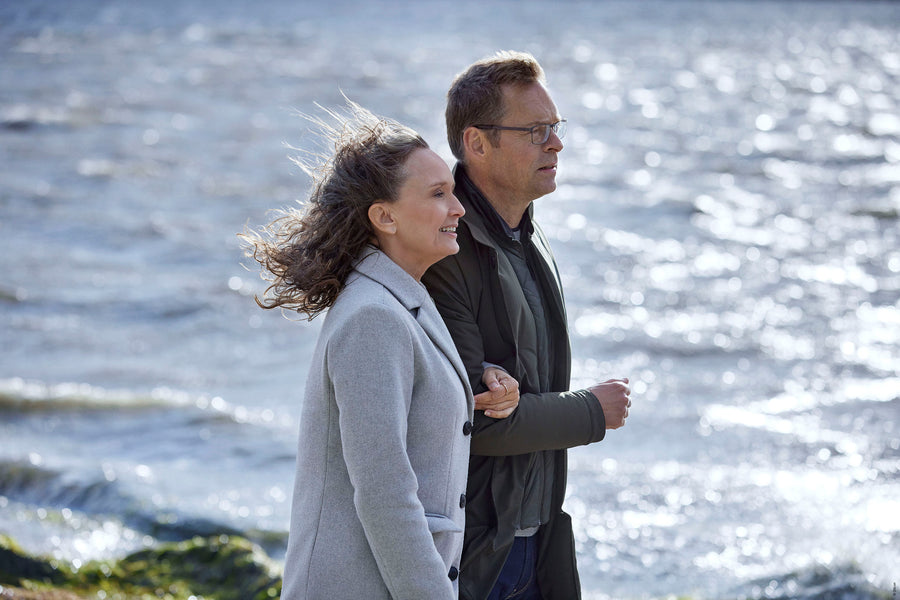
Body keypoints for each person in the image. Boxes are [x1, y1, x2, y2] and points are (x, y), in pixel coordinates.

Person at [241, 103, 520, 600]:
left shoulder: (399, 295)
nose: (458, 209)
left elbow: (413, 387)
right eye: (438, 194)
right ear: (384, 216)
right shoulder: (373, 316)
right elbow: (385, 496)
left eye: (453, 193)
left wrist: (479, 378)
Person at [421, 51, 633, 600]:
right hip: (475, 555)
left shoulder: (526, 234)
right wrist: (591, 411)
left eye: (556, 128)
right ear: (476, 143)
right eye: (535, 130)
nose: (556, 144)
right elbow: (470, 416)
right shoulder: (446, 251)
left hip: (536, 540)